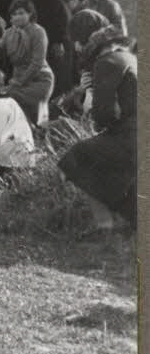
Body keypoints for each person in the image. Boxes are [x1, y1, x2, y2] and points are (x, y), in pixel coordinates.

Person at [58, 26, 136, 234]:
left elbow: (103, 114)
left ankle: (104, 225)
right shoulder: (130, 59)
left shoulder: (106, 62)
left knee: (76, 157)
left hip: (129, 136)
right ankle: (133, 218)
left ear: (97, 51)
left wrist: (91, 98)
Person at [0, 0, 54, 124]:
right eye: (14, 14)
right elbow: (1, 58)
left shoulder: (38, 32)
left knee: (38, 120)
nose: (17, 17)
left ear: (30, 14)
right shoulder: (8, 33)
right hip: (17, 81)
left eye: (21, 13)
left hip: (39, 80)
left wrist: (19, 81)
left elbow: (37, 63)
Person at [0, 67, 35, 170]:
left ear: (1, 87)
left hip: (13, 156)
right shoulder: (6, 101)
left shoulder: (1, 104)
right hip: (20, 151)